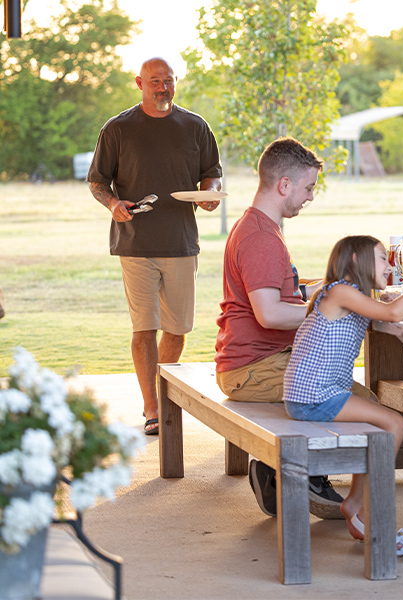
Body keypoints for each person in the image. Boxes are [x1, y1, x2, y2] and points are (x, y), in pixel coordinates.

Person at [283, 234, 403, 554]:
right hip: (314, 395)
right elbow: (393, 314)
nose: (388, 265)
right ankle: (374, 518)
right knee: (394, 424)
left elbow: (390, 310)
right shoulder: (341, 291)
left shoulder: (346, 293)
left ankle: (355, 505)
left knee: (377, 422)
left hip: (312, 393)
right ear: (357, 260)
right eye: (383, 258)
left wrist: (396, 304)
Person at [87, 57, 222, 437]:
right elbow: (98, 181)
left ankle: (160, 399)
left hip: (181, 243)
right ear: (139, 83)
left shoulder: (196, 126)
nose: (162, 87)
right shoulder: (118, 128)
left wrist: (209, 195)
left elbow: (211, 173)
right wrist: (113, 205)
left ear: (175, 82)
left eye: (168, 80)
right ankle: (152, 408)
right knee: (145, 328)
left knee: (177, 330)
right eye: (155, 81)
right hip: (135, 244)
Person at [213, 136, 347, 519]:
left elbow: (281, 292)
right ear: (283, 185)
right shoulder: (260, 238)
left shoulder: (257, 226)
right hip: (252, 369)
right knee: (360, 403)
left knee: (346, 388)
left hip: (254, 362)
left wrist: (324, 289)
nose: (309, 197)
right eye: (307, 188)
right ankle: (301, 477)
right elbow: (270, 314)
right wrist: (329, 309)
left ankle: (277, 471)